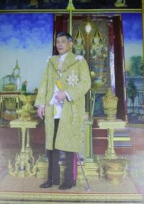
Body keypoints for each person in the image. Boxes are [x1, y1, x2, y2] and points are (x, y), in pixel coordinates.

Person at [35, 31, 91, 190]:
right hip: (52, 109)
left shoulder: (79, 61)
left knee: (69, 146)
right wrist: (41, 104)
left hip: (70, 111)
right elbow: (44, 83)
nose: (59, 44)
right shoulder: (51, 62)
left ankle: (69, 179)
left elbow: (86, 83)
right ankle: (52, 179)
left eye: (63, 41)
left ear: (71, 44)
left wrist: (66, 93)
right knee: (51, 146)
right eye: (57, 42)